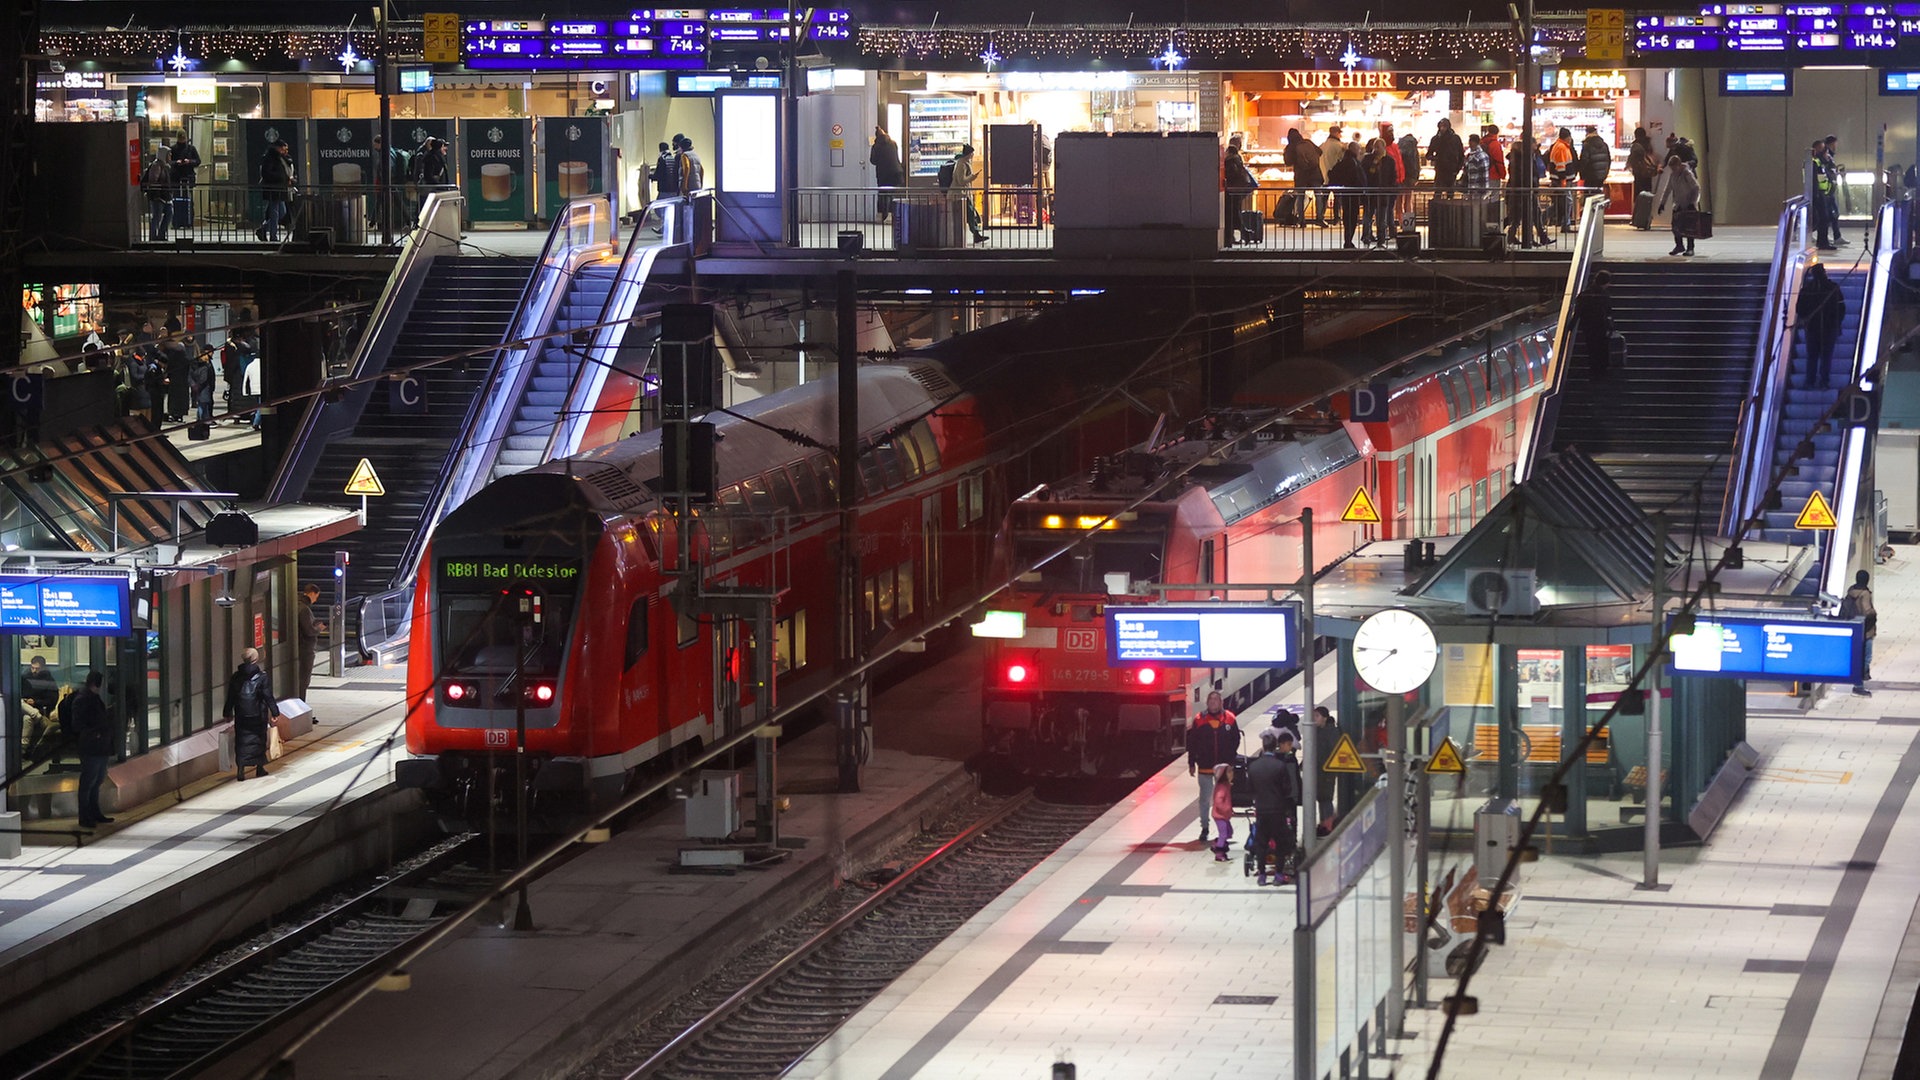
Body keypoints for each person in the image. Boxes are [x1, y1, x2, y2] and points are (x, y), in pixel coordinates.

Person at [1185, 690, 1240, 844]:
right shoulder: (1199, 719)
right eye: (1211, 700)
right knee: (1204, 799)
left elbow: (1235, 740)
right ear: (1207, 703)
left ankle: (1224, 827)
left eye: (1216, 700)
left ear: (1221, 702)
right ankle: (1205, 827)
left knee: (1222, 799)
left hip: (1223, 768)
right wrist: (1191, 763)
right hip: (1204, 767)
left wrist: (1230, 761)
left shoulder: (1230, 719)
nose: (1213, 703)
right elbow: (1192, 743)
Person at [1248, 728, 1299, 886]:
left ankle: (1262, 875)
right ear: (1275, 746)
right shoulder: (1280, 766)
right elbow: (1287, 789)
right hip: (1278, 810)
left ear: (1263, 747)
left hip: (1261, 809)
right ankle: (1278, 875)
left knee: (1261, 842)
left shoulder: (1254, 767)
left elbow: (1251, 790)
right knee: (1280, 842)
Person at [223, 647, 278, 779]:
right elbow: (267, 696)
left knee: (242, 741)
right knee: (259, 740)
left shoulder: (236, 677)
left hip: (241, 714)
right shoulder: (262, 677)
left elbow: (230, 697)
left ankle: (241, 770)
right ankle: (259, 768)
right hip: (258, 714)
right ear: (256, 659)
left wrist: (227, 712)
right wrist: (275, 712)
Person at [72, 671, 113, 828]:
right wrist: (93, 734)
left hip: (100, 746)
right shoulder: (84, 699)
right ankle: (85, 815)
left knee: (97, 780)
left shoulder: (92, 698)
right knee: (89, 781)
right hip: (91, 747)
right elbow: (78, 724)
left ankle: (94, 812)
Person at [1797, 263, 1847, 389]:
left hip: (1812, 328)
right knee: (1826, 355)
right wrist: (1837, 323)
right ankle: (1824, 381)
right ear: (1824, 273)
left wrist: (1806, 320)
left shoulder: (1807, 289)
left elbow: (1800, 309)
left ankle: (1810, 381)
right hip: (1829, 328)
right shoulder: (1833, 288)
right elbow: (1841, 307)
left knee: (1812, 355)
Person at [1507, 137, 1551, 248]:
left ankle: (1537, 237)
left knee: (1525, 215)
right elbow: (1527, 174)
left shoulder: (1520, 158)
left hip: (1523, 190)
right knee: (1529, 214)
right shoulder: (1522, 160)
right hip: (1524, 190)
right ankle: (1532, 238)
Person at [1658, 153, 1701, 257]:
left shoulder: (1687, 174)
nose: (1673, 170)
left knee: (1689, 228)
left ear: (1678, 165)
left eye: (1674, 167)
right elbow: (1667, 189)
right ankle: (1679, 245)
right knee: (1675, 226)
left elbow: (1696, 188)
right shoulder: (1673, 175)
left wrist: (1693, 202)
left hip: (1689, 204)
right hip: (1678, 204)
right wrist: (1662, 203)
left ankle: (1690, 248)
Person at [1576, 269, 1616, 379]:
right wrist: (1611, 326)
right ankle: (1602, 371)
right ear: (1605, 283)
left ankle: (1593, 371)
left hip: (1588, 327)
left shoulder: (1584, 295)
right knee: (1602, 349)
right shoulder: (1604, 295)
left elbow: (1578, 312)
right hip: (1601, 327)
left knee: (1592, 349)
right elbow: (1609, 312)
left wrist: (1572, 325)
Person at [19, 654, 60, 761]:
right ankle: (37, 716)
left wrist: (36, 702)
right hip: (26, 706)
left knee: (27, 719)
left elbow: (51, 700)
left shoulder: (48, 680)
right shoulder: (24, 678)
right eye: (32, 668)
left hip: (38, 708)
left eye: (37, 668)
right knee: (21, 703)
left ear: (42, 668)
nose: (34, 671)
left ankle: (23, 750)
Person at [1842, 570, 1876, 696]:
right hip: (1866, 631)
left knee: (1857, 656)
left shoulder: (1851, 591)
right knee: (1866, 658)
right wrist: (1874, 613)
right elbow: (1867, 611)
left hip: (1854, 628)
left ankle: (1857, 683)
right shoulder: (1865, 594)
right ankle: (1859, 685)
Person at [257, 137, 295, 243]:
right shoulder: (270, 158)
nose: (285, 151)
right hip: (273, 188)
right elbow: (266, 173)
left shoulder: (281, 158)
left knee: (281, 212)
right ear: (278, 148)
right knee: (275, 213)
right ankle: (273, 236)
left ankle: (264, 229)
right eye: (283, 149)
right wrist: (282, 178)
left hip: (280, 189)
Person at [1329, 142, 1365, 250]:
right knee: (1351, 218)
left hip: (1346, 193)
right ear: (1354, 150)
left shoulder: (1345, 160)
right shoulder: (1352, 162)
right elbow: (1357, 177)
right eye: (1358, 149)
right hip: (1352, 194)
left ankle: (1348, 240)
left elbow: (1333, 173)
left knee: (1348, 218)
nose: (1360, 151)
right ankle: (1348, 241)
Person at [1284, 128, 1324, 226]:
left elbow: (1288, 162)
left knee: (1300, 196)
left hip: (1301, 175)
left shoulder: (1291, 147)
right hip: (1314, 173)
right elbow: (1320, 152)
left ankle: (1301, 219)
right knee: (1318, 195)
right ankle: (1319, 218)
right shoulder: (1308, 142)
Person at [1222, 138, 1258, 246]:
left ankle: (1241, 234)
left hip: (1232, 190)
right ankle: (1239, 235)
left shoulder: (1230, 160)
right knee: (1233, 214)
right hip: (1237, 190)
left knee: (1231, 215)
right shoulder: (1237, 158)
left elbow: (1232, 174)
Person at [949, 143, 987, 243]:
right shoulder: (962, 164)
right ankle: (976, 234)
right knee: (970, 214)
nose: (973, 155)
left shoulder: (963, 162)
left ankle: (976, 234)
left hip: (963, 195)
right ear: (968, 154)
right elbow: (961, 181)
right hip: (960, 195)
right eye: (972, 153)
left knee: (971, 214)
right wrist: (973, 177)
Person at [1310, 706, 1339, 833]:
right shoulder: (1315, 731)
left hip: (1327, 771)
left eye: (1317, 716)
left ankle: (1328, 824)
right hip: (1317, 771)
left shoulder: (1332, 732)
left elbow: (1333, 752)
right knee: (1321, 798)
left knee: (1326, 798)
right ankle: (1323, 823)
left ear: (1325, 718)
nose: (1314, 719)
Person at [297, 582, 327, 701]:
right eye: (316, 596)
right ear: (313, 593)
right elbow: (309, 631)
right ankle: (302, 706)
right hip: (305, 648)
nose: (315, 600)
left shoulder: (297, 604)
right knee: (304, 680)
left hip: (300, 646)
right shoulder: (304, 609)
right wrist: (318, 628)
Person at [1809, 141, 1838, 251]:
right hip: (1818, 194)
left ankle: (1823, 241)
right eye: (1822, 149)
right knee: (1822, 219)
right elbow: (1814, 180)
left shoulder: (1821, 162)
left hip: (1823, 194)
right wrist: (1816, 193)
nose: (1825, 151)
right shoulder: (1814, 162)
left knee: (1824, 219)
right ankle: (1822, 242)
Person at [159, 317, 190, 422]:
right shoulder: (171, 346)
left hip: (177, 375)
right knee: (175, 396)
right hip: (176, 375)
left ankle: (176, 414)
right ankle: (176, 414)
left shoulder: (174, 347)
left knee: (176, 396)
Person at [870, 126, 903, 223]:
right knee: (892, 195)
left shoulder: (876, 146)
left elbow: (873, 160)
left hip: (883, 173)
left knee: (882, 195)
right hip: (896, 173)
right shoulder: (893, 143)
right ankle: (890, 216)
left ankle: (880, 215)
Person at [1547, 127, 1578, 229]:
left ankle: (1565, 223)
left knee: (1561, 203)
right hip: (1562, 180)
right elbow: (1561, 166)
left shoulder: (1560, 146)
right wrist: (1563, 180)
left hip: (1560, 179)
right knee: (1565, 202)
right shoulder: (1561, 147)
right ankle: (1565, 224)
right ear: (1567, 137)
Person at [170, 129, 201, 228]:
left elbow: (198, 161)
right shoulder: (173, 149)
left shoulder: (191, 149)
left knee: (189, 201)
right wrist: (177, 162)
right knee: (176, 200)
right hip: (177, 178)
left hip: (187, 177)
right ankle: (177, 222)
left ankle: (188, 222)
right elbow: (169, 162)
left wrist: (189, 161)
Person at [140, 151, 173, 242]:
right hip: (158, 197)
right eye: (169, 155)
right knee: (157, 217)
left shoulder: (165, 166)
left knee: (169, 214)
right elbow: (153, 181)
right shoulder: (156, 166)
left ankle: (161, 234)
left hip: (165, 196)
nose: (170, 157)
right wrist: (158, 192)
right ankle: (153, 237)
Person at [1578, 125, 1611, 214]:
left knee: (1589, 196)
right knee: (1598, 195)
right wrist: (1605, 174)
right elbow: (1608, 160)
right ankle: (1598, 215)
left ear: (1587, 133)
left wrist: (1582, 174)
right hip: (1601, 176)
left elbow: (1584, 160)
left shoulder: (1587, 145)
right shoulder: (1604, 145)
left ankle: (1589, 215)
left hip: (1590, 176)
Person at [1316, 125, 1345, 224]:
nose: (1340, 135)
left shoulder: (1322, 145)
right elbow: (1342, 159)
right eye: (1339, 133)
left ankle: (1320, 217)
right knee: (1337, 198)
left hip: (1323, 175)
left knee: (1324, 197)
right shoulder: (1339, 146)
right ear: (1336, 133)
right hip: (1336, 175)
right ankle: (1337, 218)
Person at [1428, 118, 1464, 196]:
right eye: (1441, 126)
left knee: (1448, 192)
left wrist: (1458, 168)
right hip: (1441, 169)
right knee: (1439, 192)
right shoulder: (1436, 139)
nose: (1442, 128)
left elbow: (1461, 154)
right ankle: (1439, 207)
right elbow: (1428, 154)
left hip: (1451, 170)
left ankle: (1447, 207)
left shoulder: (1455, 139)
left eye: (1444, 126)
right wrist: (1435, 158)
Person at [1209, 762, 1235, 861]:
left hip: (1224, 815)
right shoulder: (1221, 787)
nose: (1232, 773)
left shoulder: (1226, 785)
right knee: (1223, 834)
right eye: (1229, 772)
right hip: (1220, 815)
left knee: (1229, 832)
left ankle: (1217, 843)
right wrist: (1226, 809)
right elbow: (1219, 801)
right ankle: (1219, 853)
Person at [1393, 124, 1420, 219]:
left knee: (1399, 199)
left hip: (1401, 176)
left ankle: (1400, 220)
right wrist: (1416, 176)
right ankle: (1408, 223)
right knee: (1408, 200)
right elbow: (1416, 163)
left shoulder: (1398, 146)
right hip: (1410, 177)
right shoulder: (1413, 148)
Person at [1629, 128, 1660, 201]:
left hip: (1639, 173)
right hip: (1648, 172)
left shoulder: (1636, 146)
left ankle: (1640, 211)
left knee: (1639, 196)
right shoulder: (1648, 144)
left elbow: (1633, 160)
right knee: (1647, 194)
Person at [189, 348, 215, 424]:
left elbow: (189, 376)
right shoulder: (205, 367)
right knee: (203, 405)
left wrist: (193, 385)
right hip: (204, 388)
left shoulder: (193, 365)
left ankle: (203, 419)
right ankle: (202, 420)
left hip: (196, 387)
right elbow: (204, 379)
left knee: (201, 404)